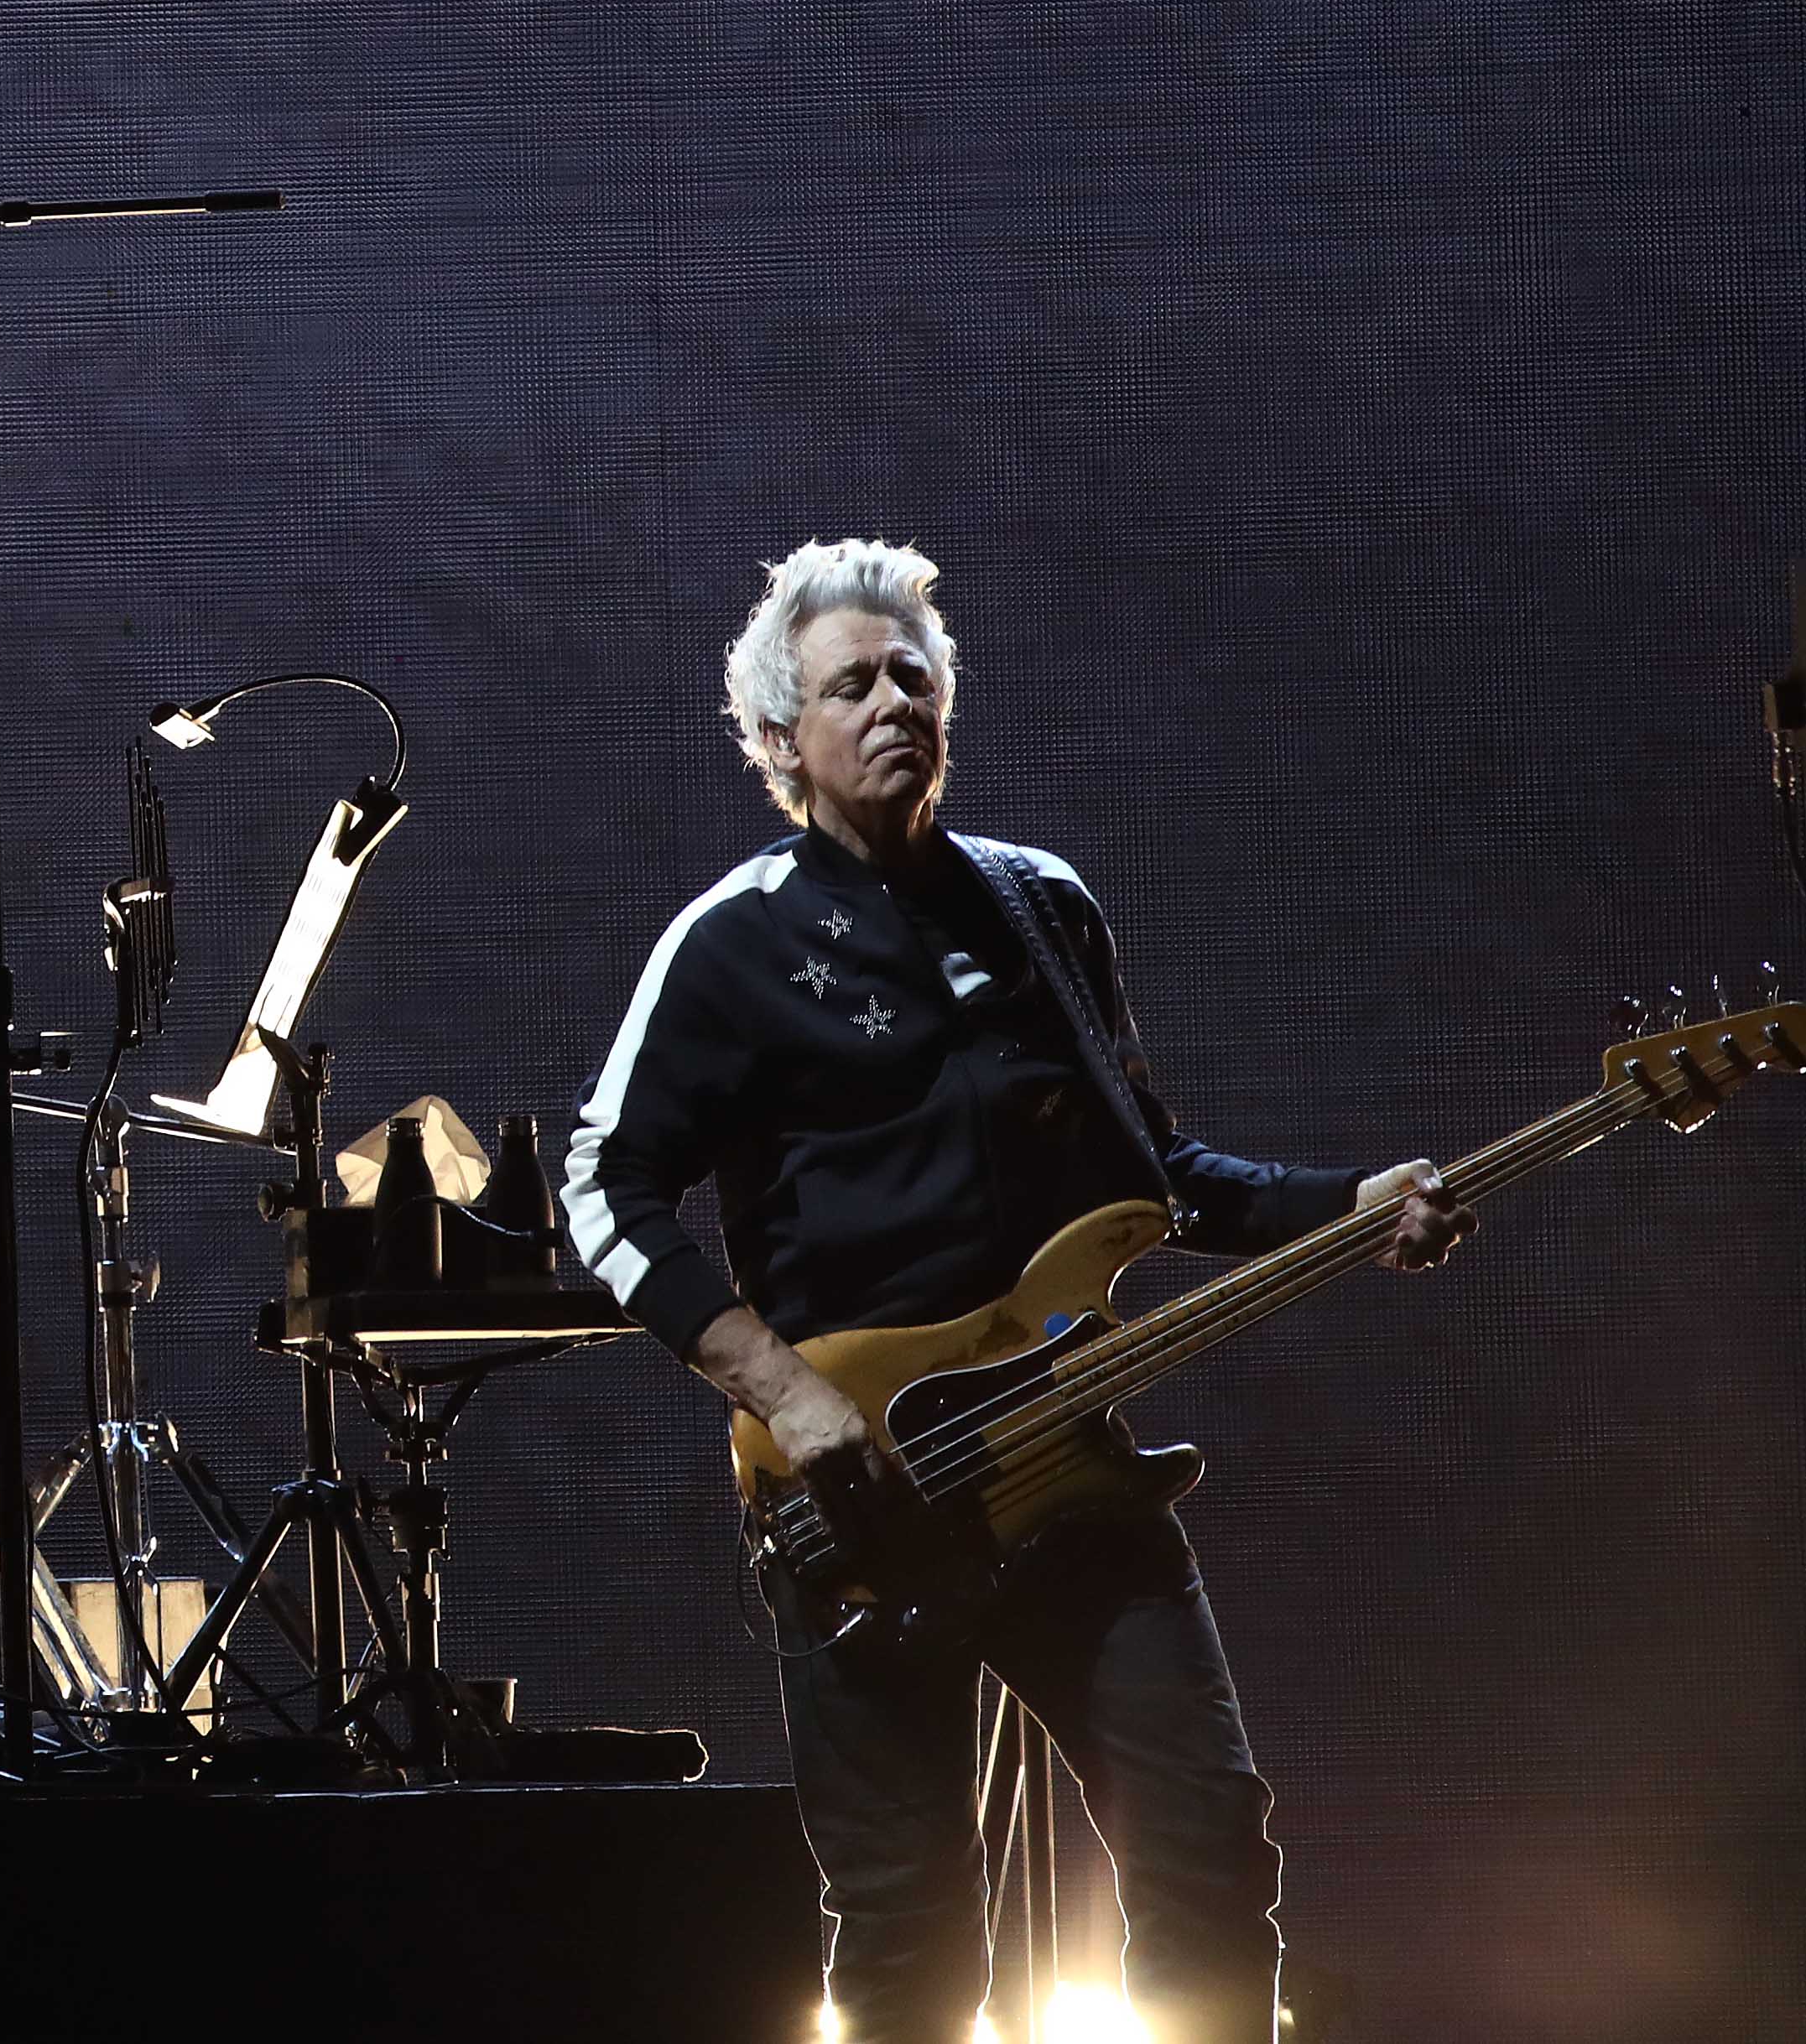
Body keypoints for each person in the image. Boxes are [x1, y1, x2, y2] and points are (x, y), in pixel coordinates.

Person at [558, 542, 1475, 2044]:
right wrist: (785, 1389)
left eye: (913, 672)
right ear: (781, 739)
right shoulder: (731, 941)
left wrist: (1349, 1205)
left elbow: (1157, 1176)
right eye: (848, 682)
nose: (892, 699)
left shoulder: (1041, 905)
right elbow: (600, 1189)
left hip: (1069, 1469)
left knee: (1205, 1846)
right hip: (866, 1496)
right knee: (913, 1934)